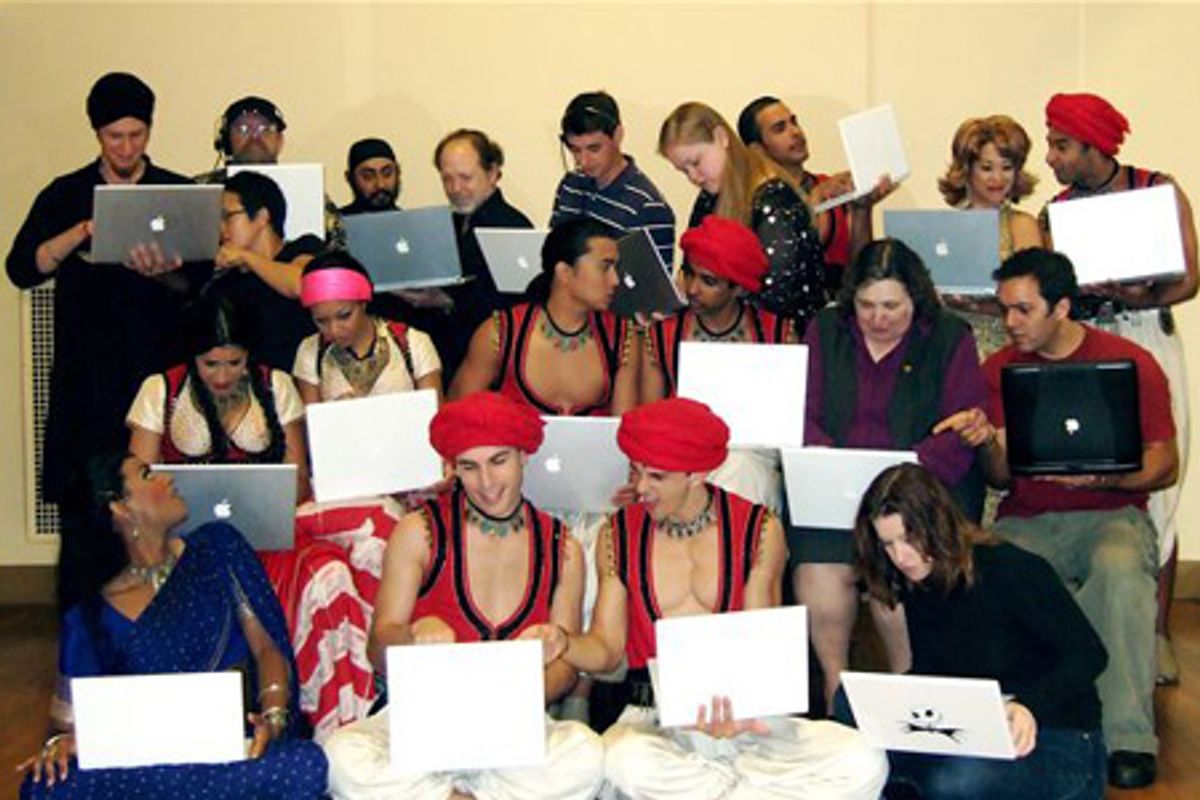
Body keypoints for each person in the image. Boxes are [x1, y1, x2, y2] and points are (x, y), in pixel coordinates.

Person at [557, 398, 886, 798]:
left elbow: (760, 644)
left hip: (749, 718)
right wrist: (564, 643)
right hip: (656, 721)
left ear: (697, 474)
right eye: (636, 470)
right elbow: (608, 653)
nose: (640, 488)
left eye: (657, 477)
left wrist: (743, 712)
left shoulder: (759, 530)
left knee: (863, 758)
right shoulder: (617, 534)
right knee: (624, 761)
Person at [935, 247, 1177, 789]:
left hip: (1113, 512)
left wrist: (1106, 480)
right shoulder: (997, 372)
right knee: (991, 576)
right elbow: (999, 477)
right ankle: (1009, 719)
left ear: (1062, 307)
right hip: (1029, 515)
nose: (1009, 323)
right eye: (1004, 310)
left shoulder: (1131, 362)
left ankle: (1127, 738)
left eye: (1023, 310)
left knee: (1118, 571)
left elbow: (1165, 462)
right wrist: (985, 443)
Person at [324, 391, 604, 800]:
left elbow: (565, 669)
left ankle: (448, 794)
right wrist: (412, 635)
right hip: (424, 714)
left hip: (513, 719)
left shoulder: (563, 548)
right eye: (469, 467)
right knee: (341, 756)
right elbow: (378, 647)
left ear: (524, 456)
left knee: (585, 754)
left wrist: (517, 694)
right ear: (452, 468)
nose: (487, 483)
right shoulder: (418, 532)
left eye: (499, 461)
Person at [125, 292, 379, 740]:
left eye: (235, 363)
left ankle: (346, 723)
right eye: (210, 364)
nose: (223, 376)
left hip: (271, 537)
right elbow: (138, 489)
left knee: (333, 569)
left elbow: (299, 483)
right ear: (193, 357)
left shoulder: (275, 386)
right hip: (187, 549)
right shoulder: (159, 390)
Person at [18, 452, 327, 799]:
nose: (168, 479)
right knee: (43, 787)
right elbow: (64, 724)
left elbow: (266, 648)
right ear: (119, 508)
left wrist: (273, 718)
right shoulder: (90, 614)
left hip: (230, 750)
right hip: (145, 762)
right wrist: (59, 745)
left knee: (305, 764)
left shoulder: (218, 548)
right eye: (148, 475)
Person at [1039, 91, 1197, 686]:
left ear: (1093, 146)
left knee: (1158, 488)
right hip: (1087, 339)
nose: (1050, 156)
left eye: (1061, 144)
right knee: (1090, 471)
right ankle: (1093, 633)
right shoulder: (1057, 208)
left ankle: (1153, 634)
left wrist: (1143, 295)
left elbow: (1189, 277)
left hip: (1144, 333)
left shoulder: (1157, 187)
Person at [798, 238, 986, 708]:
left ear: (915, 300)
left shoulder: (948, 337)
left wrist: (903, 478)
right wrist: (828, 461)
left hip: (917, 494)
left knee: (895, 575)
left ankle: (908, 689)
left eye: (891, 306)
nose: (878, 318)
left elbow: (960, 427)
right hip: (835, 489)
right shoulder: (825, 330)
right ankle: (834, 691)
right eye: (866, 306)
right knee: (820, 569)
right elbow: (803, 412)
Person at [5, 72, 202, 519]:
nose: (127, 148)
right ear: (97, 134)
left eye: (137, 135)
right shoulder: (64, 194)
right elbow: (20, 269)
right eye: (115, 137)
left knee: (158, 496)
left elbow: (199, 283)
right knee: (86, 497)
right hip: (86, 370)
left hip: (156, 364)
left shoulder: (177, 192)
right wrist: (79, 233)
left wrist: (167, 272)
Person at [850, 463, 1108, 799]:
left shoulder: (1010, 569)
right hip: (973, 732)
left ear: (937, 524)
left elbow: (1089, 654)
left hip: (1059, 736)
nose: (901, 556)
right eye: (888, 544)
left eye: (908, 538)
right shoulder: (917, 583)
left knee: (954, 782)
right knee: (857, 736)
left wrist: (1028, 705)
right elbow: (934, 670)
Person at [641, 214, 796, 509]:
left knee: (740, 469)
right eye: (689, 274)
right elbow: (649, 420)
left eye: (709, 281)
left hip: (753, 459)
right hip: (680, 461)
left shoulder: (777, 332)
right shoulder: (662, 336)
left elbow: (784, 429)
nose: (693, 289)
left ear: (738, 288)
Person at [450, 217, 639, 417]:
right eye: (604, 267)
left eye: (616, 268)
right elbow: (457, 416)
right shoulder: (500, 333)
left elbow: (624, 429)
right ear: (564, 272)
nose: (615, 280)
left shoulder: (622, 336)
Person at [937, 114, 1042, 357]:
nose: (998, 178)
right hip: (953, 350)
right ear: (966, 170)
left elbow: (1036, 298)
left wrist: (976, 304)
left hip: (1009, 349)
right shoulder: (942, 228)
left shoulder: (1022, 225)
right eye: (986, 168)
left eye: (1007, 168)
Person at [293, 250, 442, 403]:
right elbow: (313, 423)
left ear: (363, 302)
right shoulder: (311, 352)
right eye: (321, 321)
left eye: (344, 316)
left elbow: (434, 419)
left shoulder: (413, 343)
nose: (334, 330)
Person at [737, 95, 854, 289]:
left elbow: (858, 267)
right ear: (757, 149)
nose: (795, 132)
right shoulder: (750, 201)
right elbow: (785, 261)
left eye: (794, 122)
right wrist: (814, 200)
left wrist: (862, 210)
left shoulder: (831, 187)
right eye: (779, 129)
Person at [550, 91, 675, 267]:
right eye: (575, 150)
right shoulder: (570, 184)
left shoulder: (647, 206)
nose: (582, 161)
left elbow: (653, 289)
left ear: (617, 135)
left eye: (594, 149)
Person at [215, 169, 324, 371]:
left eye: (227, 216)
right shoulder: (226, 283)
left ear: (262, 216)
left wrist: (246, 257)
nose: (221, 228)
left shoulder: (303, 248)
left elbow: (303, 284)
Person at [340, 137, 400, 215]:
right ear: (350, 179)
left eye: (387, 174)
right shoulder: (335, 224)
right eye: (368, 176)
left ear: (398, 172)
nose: (380, 185)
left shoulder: (410, 224)